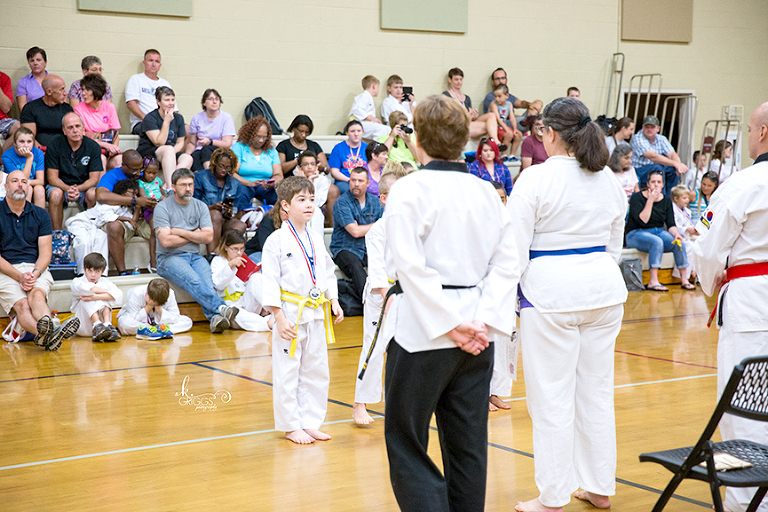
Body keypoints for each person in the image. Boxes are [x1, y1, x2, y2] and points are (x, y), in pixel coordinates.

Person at [381, 94, 518, 511]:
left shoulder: (408, 189)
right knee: (468, 446)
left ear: (417, 140)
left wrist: (448, 323)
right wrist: (481, 321)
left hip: (422, 334)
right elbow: (507, 263)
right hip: (477, 336)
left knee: (407, 442)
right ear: (464, 139)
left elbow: (408, 266)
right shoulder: (486, 192)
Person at [507, 97, 627, 512]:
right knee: (596, 392)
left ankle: (554, 496)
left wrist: (508, 299)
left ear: (550, 132)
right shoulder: (607, 178)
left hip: (551, 295)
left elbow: (513, 250)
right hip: (603, 290)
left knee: (552, 398)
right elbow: (614, 243)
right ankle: (598, 486)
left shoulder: (536, 179)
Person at [692, 101, 768, 512]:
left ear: (761, 133)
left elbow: (708, 248)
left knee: (746, 407)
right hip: (754, 297)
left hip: (753, 304)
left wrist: (711, 280)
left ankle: (748, 502)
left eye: (752, 130)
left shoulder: (743, 184)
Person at [262, 176, 344, 444]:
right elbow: (270, 280)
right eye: (301, 200)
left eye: (311, 199)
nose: (309, 204)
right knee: (288, 370)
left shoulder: (315, 238)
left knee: (316, 368)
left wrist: (333, 300)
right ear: (285, 205)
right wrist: (278, 316)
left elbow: (327, 272)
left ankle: (310, 422)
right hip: (290, 312)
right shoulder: (275, 240)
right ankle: (290, 425)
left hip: (316, 311)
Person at [0, 170, 80, 350]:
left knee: (37, 296)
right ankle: (51, 334)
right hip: (5, 269)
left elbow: (45, 253)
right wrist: (19, 276)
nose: (20, 185)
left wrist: (35, 273)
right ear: (5, 187)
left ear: (28, 187)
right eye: (14, 181)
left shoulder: (40, 214)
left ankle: (49, 333)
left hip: (34, 267)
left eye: (24, 181)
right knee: (22, 305)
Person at [153, 168, 238, 333]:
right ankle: (221, 307)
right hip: (169, 257)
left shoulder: (200, 206)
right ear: (173, 187)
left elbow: (208, 237)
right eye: (183, 185)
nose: (188, 189)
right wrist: (195, 234)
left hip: (194, 256)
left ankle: (215, 319)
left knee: (208, 285)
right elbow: (166, 241)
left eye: (190, 184)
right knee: (194, 280)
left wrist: (179, 232)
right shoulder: (162, 208)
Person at [352, 172, 399, 425]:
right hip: (381, 296)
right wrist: (388, 296)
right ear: (383, 198)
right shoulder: (377, 230)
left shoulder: (410, 226)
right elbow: (377, 268)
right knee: (374, 347)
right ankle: (359, 403)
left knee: (403, 349)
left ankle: (398, 401)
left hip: (404, 293)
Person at [625, 170, 691, 291]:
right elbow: (643, 220)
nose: (656, 185)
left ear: (663, 184)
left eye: (659, 182)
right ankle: (653, 281)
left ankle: (684, 280)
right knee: (656, 242)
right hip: (636, 233)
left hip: (658, 231)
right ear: (648, 184)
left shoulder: (666, 200)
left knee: (678, 243)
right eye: (653, 182)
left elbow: (671, 224)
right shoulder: (637, 198)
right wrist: (650, 200)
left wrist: (676, 234)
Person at [95, 149, 156, 274]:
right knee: (113, 226)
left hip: (143, 219)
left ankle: (155, 266)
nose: (138, 173)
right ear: (123, 165)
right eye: (134, 170)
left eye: (140, 169)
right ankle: (122, 272)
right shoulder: (113, 175)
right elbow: (101, 196)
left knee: (161, 224)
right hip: (122, 219)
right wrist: (135, 201)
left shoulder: (145, 174)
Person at [330, 167, 383, 306]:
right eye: (353, 180)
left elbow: (384, 228)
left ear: (368, 183)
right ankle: (370, 304)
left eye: (360, 181)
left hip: (368, 248)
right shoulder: (342, 202)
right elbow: (355, 232)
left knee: (385, 261)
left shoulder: (376, 202)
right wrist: (377, 224)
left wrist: (364, 227)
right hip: (344, 249)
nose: (356, 184)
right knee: (356, 267)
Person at [45, 112, 103, 230]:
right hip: (61, 186)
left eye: (78, 126)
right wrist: (68, 189)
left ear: (83, 128)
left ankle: (91, 231)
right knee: (55, 194)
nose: (75, 130)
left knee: (93, 193)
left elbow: (94, 179)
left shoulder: (93, 147)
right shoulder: (54, 145)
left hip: (84, 187)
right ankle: (57, 234)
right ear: (64, 131)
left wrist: (78, 189)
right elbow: (52, 178)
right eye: (70, 128)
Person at [210, 230, 273, 332]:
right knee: (237, 314)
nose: (239, 252)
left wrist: (254, 274)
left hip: (246, 302)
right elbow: (218, 285)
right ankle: (269, 323)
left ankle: (274, 312)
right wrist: (230, 266)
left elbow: (251, 286)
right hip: (231, 306)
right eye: (235, 249)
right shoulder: (217, 261)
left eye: (241, 249)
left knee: (256, 277)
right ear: (226, 247)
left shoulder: (244, 260)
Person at [136, 86, 192, 191]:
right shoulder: (150, 118)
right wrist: (166, 121)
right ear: (158, 102)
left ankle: (168, 185)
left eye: (172, 100)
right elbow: (159, 142)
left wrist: (171, 153)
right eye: (167, 100)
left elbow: (180, 142)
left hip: (169, 152)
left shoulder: (179, 118)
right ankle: (171, 188)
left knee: (187, 158)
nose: (171, 103)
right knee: (168, 149)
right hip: (150, 152)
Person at [193, 146, 247, 253]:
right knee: (216, 214)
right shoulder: (201, 177)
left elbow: (236, 213)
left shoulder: (235, 183)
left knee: (241, 225)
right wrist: (211, 207)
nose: (223, 170)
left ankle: (219, 252)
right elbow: (193, 206)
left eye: (228, 167)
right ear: (214, 163)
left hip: (224, 220)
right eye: (221, 166)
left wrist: (229, 211)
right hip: (204, 219)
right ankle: (212, 254)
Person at [70, 252, 123, 342]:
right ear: (84, 269)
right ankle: (97, 324)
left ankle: (107, 324)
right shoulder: (77, 281)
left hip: (104, 327)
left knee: (101, 296)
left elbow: (119, 294)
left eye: (97, 271)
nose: (93, 275)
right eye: (90, 271)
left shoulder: (105, 282)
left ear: (103, 272)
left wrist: (95, 297)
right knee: (87, 296)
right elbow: (86, 289)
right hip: (84, 326)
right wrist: (107, 293)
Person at [631, 115, 688, 196]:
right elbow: (652, 156)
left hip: (654, 167)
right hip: (640, 170)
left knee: (672, 168)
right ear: (642, 127)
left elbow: (672, 154)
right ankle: (661, 198)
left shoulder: (661, 139)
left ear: (658, 129)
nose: (649, 129)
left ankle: (670, 198)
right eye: (647, 127)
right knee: (657, 168)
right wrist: (675, 163)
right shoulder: (638, 138)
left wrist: (678, 165)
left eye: (652, 127)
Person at [74, 74, 122, 170]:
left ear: (96, 90)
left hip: (108, 149)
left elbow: (115, 133)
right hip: (90, 149)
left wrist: (114, 148)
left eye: (87, 90)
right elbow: (82, 136)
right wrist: (106, 145)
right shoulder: (79, 108)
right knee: (101, 159)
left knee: (120, 160)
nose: (83, 93)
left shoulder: (109, 107)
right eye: (82, 90)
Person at [232, 116, 282, 207]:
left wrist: (273, 183)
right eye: (258, 136)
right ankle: (241, 216)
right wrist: (250, 183)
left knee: (277, 198)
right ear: (250, 134)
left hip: (264, 186)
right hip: (243, 184)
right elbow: (232, 173)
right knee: (240, 196)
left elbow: (278, 174)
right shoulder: (239, 147)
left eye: (264, 137)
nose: (261, 140)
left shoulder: (271, 151)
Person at [116, 278, 193, 337]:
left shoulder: (170, 293)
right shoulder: (136, 293)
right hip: (142, 323)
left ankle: (160, 330)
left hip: (161, 323)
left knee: (187, 322)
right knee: (124, 324)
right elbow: (134, 318)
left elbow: (175, 317)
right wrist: (149, 306)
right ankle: (151, 330)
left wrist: (159, 308)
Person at [443, 67, 502, 142]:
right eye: (456, 79)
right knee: (489, 127)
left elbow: (471, 117)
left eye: (461, 79)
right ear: (449, 80)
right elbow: (446, 116)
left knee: (491, 116)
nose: (459, 82)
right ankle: (492, 144)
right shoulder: (446, 95)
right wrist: (465, 116)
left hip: (468, 123)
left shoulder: (466, 98)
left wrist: (474, 116)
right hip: (456, 125)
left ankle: (495, 141)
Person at [185, 88, 236, 171]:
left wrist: (210, 142)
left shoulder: (226, 118)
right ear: (204, 103)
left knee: (206, 149)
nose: (214, 102)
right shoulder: (196, 117)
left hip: (221, 150)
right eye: (211, 99)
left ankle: (210, 174)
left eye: (217, 99)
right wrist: (187, 155)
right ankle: (200, 177)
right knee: (195, 156)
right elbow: (192, 143)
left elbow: (227, 143)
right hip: (201, 150)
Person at [125, 49, 173, 135]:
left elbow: (173, 108)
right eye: (150, 60)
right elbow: (131, 104)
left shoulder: (165, 83)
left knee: (187, 130)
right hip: (141, 123)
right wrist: (148, 119)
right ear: (144, 63)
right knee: (159, 132)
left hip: (163, 122)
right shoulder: (136, 79)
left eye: (157, 61)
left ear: (160, 65)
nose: (154, 64)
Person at [482, 68, 543, 133]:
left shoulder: (508, 96)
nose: (501, 81)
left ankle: (530, 120)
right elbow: (503, 115)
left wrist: (530, 105)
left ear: (506, 80)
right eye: (497, 79)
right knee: (535, 120)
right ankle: (530, 121)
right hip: (502, 125)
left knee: (538, 102)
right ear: (492, 82)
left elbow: (520, 103)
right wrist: (521, 117)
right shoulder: (490, 96)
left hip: (516, 122)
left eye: (503, 78)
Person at [19, 75, 73, 148]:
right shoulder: (30, 108)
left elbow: (72, 135)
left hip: (62, 150)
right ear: (49, 92)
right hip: (38, 150)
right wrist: (43, 151)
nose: (65, 93)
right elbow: (29, 138)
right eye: (62, 89)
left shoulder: (67, 109)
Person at [2, 127, 46, 207]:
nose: (26, 145)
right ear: (15, 143)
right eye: (22, 141)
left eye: (29, 141)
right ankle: (23, 214)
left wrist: (29, 182)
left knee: (39, 189)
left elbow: (40, 181)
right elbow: (21, 181)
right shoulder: (7, 156)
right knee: (28, 188)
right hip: (14, 185)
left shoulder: (38, 153)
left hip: (31, 184)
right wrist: (29, 158)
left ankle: (40, 215)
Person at [292, 150, 330, 234]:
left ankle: (316, 241)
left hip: (314, 212)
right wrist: (303, 181)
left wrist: (310, 181)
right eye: (305, 164)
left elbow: (317, 203)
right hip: (297, 210)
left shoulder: (323, 180)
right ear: (299, 167)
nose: (309, 167)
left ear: (316, 167)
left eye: (312, 164)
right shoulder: (293, 180)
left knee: (316, 211)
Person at [329, 120, 368, 195]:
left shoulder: (367, 148)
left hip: (363, 180)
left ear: (362, 132)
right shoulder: (338, 148)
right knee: (348, 190)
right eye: (352, 131)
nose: (356, 134)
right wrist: (350, 180)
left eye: (359, 131)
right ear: (347, 133)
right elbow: (334, 172)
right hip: (344, 181)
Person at [670, 184, 697, 283]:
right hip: (676, 235)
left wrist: (694, 231)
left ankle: (695, 270)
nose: (687, 200)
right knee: (689, 246)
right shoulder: (672, 210)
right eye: (684, 198)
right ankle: (684, 276)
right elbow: (675, 227)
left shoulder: (687, 211)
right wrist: (688, 230)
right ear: (676, 199)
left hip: (687, 234)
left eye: (688, 198)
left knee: (701, 243)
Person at [348, 75, 389, 139]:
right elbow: (357, 110)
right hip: (357, 124)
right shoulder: (364, 96)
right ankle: (376, 145)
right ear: (373, 86)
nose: (378, 90)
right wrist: (371, 118)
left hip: (364, 124)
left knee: (387, 129)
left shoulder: (368, 98)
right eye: (378, 87)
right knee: (382, 129)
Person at [489, 84, 521, 157]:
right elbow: (498, 119)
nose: (497, 99)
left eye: (499, 96)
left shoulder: (509, 104)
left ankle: (512, 156)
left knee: (518, 135)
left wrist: (515, 129)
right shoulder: (493, 104)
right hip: (495, 127)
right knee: (509, 134)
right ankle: (504, 155)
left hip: (503, 127)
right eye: (495, 96)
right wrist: (507, 129)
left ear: (507, 96)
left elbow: (512, 118)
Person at [16, 47, 49, 112]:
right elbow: (23, 108)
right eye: (32, 61)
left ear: (45, 62)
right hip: (32, 116)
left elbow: (62, 105)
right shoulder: (23, 82)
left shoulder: (56, 80)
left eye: (38, 60)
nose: (35, 63)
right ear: (29, 63)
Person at [0, 70, 20, 153]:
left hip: (1, 120)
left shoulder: (4, 78)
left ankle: (3, 156)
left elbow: (6, 109)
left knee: (20, 128)